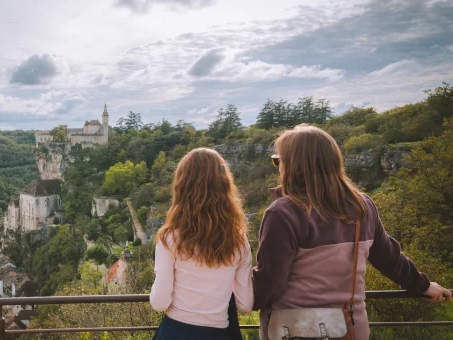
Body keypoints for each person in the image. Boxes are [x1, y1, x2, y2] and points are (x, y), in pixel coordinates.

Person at [252, 124, 452, 340]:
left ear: (293, 165)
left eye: (278, 160)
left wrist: (238, 296)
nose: (278, 167)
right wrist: (421, 285)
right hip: (350, 328)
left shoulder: (282, 213)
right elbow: (390, 259)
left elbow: (271, 282)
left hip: (294, 329)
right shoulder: (361, 205)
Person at [150, 147, 253, 340]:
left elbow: (160, 302)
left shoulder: (170, 238)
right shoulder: (238, 240)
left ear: (182, 186)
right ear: (224, 186)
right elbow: (246, 304)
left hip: (176, 332)